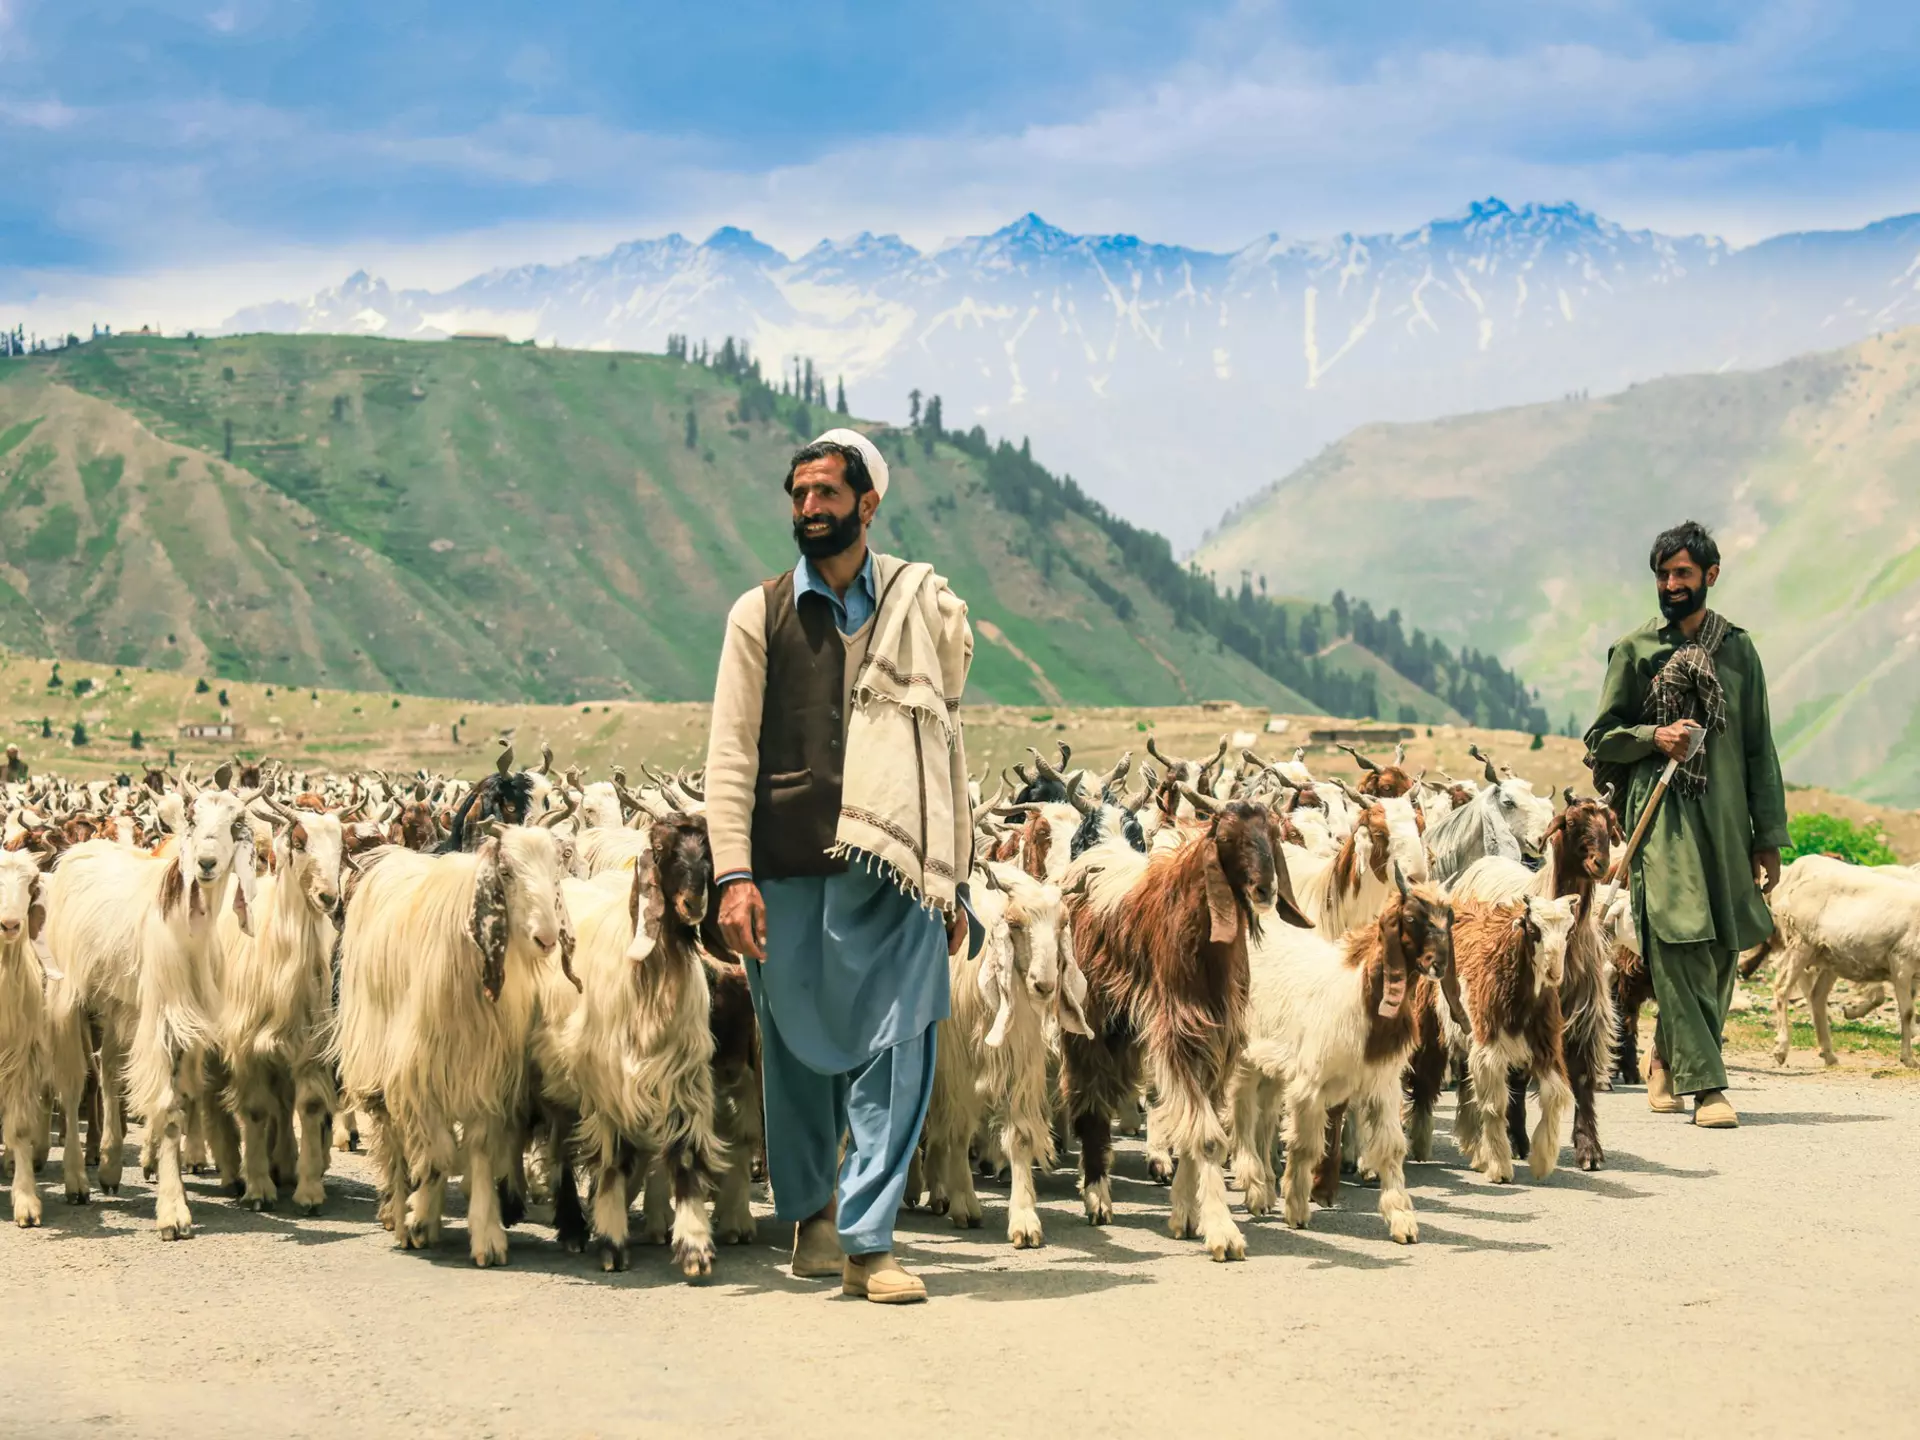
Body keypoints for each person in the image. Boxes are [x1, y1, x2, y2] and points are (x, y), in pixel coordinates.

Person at [704, 428, 977, 1304]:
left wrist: (953, 872)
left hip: (893, 871)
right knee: (794, 1054)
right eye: (799, 496)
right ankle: (813, 1218)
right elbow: (730, 755)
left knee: (899, 1043)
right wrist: (731, 875)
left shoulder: (920, 608)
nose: (809, 510)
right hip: (784, 865)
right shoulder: (762, 613)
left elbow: (944, 745)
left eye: (826, 494)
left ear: (868, 504)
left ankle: (870, 1244)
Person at [1586, 520, 1787, 1129]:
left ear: (1710, 576)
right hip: (1663, 815)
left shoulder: (1738, 649)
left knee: (1727, 943)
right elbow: (1601, 740)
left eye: (1683, 574)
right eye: (1663, 575)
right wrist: (1654, 735)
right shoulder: (1636, 650)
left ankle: (1668, 1057)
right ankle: (1709, 1088)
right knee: (1678, 937)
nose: (1671, 584)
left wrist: (1768, 836)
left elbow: (1758, 746)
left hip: (1726, 819)